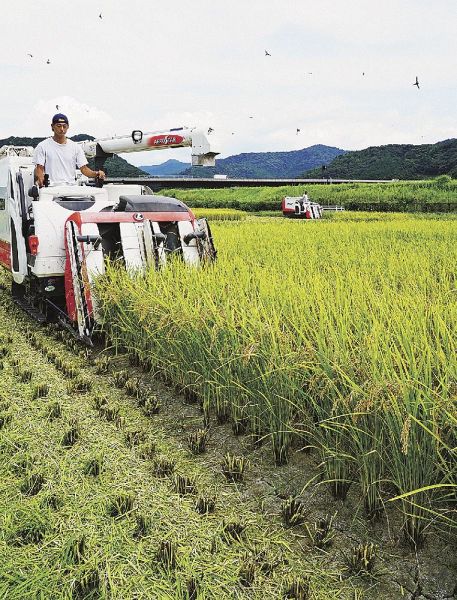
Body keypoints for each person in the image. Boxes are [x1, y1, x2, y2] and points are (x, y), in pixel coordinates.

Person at [34, 113, 106, 187]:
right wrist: (40, 178)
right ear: (52, 126)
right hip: (51, 189)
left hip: (71, 188)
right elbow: (39, 168)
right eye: (59, 126)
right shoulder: (42, 146)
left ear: (68, 127)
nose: (62, 129)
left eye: (64, 126)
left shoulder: (75, 147)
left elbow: (84, 169)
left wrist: (96, 173)